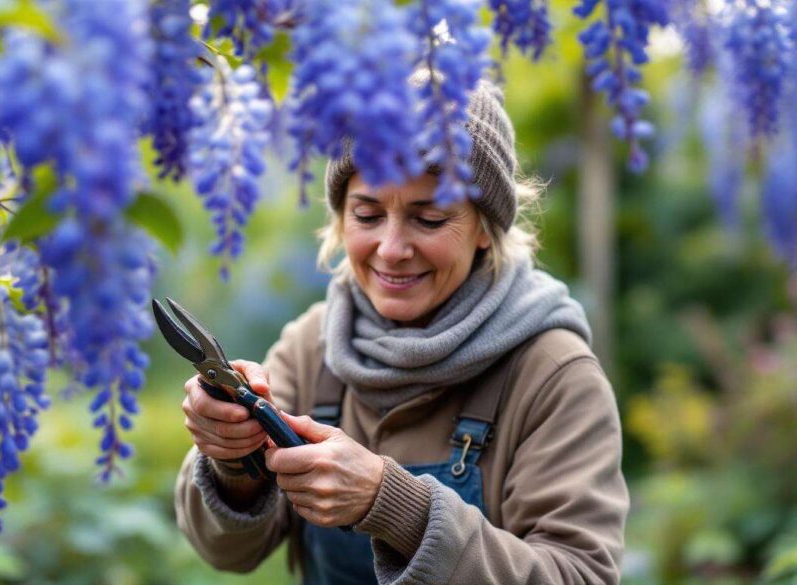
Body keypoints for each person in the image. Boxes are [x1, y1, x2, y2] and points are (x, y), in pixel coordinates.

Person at [174, 78, 629, 584]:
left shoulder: (553, 373)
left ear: (485, 228)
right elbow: (227, 552)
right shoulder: (314, 346)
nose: (391, 249)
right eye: (367, 214)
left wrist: (395, 506)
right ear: (341, 219)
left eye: (429, 219)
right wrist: (232, 461)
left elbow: (580, 575)